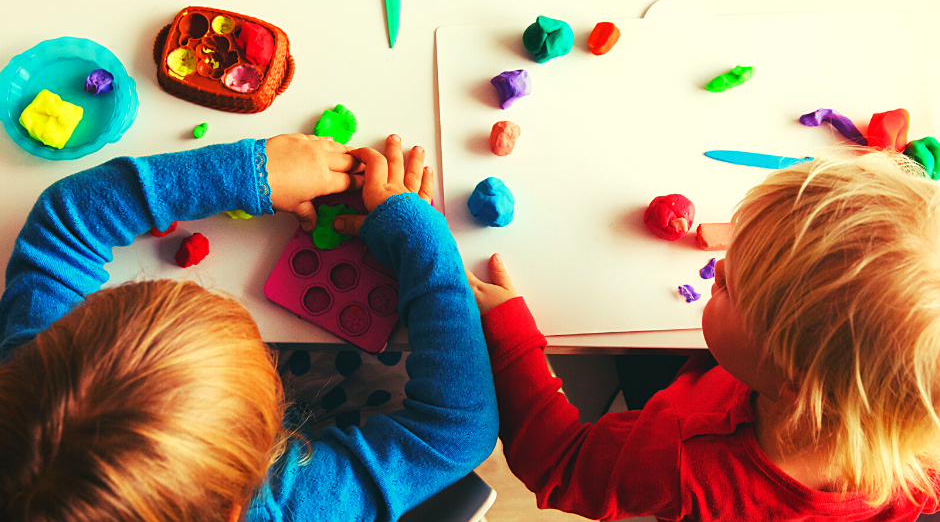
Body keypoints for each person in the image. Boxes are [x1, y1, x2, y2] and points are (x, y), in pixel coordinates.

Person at [0, 133, 498, 522]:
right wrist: (422, 237)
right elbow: (455, 432)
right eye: (263, 368)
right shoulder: (287, 507)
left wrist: (251, 173)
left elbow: (64, 223)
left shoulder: (29, 383)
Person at [468, 151, 940, 520]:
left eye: (731, 287)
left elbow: (559, 464)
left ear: (792, 379)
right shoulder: (922, 449)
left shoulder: (683, 460)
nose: (718, 267)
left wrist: (507, 330)